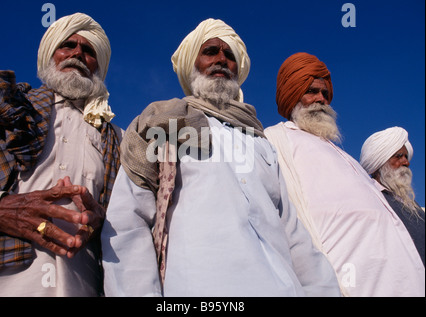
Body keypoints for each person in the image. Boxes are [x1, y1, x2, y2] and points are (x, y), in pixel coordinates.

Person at [101, 18, 340, 297]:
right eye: (210, 51)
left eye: (230, 56)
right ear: (193, 63)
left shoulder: (260, 142)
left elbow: (296, 237)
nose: (221, 60)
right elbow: (129, 221)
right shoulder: (165, 122)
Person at [0, 13, 122, 296]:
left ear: (99, 65)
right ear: (50, 54)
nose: (78, 53)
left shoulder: (118, 139)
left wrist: (100, 218)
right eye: (68, 45)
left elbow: (134, 219)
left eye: (89, 50)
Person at [264, 52, 425, 296]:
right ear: (292, 94)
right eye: (312, 91)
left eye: (325, 94)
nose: (321, 99)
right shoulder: (275, 141)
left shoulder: (344, 156)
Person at [360, 126, 425, 266]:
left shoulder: (414, 207)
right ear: (379, 162)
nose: (406, 162)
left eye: (406, 157)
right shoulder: (368, 197)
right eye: (398, 156)